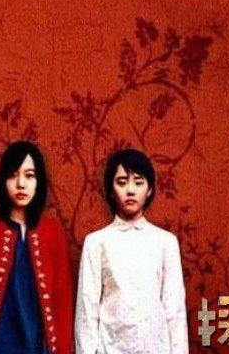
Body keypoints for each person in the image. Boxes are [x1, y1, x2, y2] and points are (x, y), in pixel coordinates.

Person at [0, 141, 73, 354]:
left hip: (39, 345)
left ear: (39, 182)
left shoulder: (53, 232)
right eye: (13, 175)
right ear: (3, 181)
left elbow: (62, 302)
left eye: (29, 176)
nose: (21, 184)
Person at [75, 149, 188, 354]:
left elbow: (175, 311)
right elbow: (87, 311)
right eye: (121, 182)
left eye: (138, 182)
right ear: (111, 190)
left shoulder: (166, 243)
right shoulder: (96, 243)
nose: (130, 190)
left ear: (149, 189)